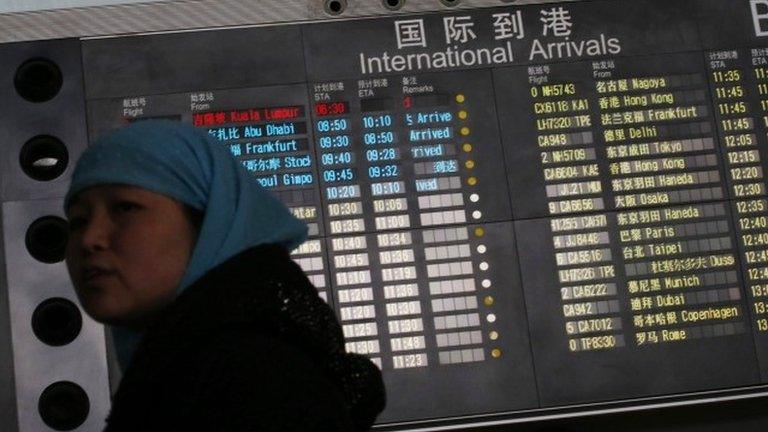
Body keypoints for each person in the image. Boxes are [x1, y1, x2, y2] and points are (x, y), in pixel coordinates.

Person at [63, 120, 385, 431]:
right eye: (77, 220)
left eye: (125, 208)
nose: (90, 238)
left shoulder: (255, 385)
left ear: (209, 226)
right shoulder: (197, 370)